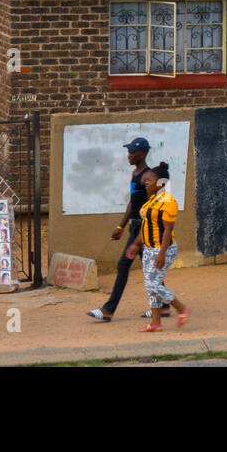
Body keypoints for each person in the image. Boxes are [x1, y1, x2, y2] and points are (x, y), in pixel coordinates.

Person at [86, 136, 169, 322]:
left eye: (132, 152)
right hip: (135, 227)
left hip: (143, 228)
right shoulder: (135, 174)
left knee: (124, 265)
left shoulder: (149, 177)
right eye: (128, 151)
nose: (129, 155)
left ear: (143, 153)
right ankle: (163, 306)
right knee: (150, 268)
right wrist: (120, 226)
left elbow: (153, 206)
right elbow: (133, 203)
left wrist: (142, 233)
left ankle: (109, 309)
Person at [131, 162, 189, 332]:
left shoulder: (168, 201)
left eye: (151, 179)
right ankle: (155, 323)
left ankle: (181, 308)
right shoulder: (152, 201)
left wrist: (162, 253)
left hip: (163, 249)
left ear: (161, 183)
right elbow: (147, 226)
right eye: (146, 179)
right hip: (149, 249)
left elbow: (167, 230)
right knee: (151, 286)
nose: (146, 181)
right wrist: (136, 244)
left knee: (153, 285)